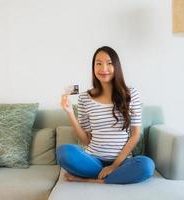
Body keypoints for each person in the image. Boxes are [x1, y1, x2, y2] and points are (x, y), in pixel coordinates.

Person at [57, 46, 154, 184]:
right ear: (93, 67)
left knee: (147, 165)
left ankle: (90, 180)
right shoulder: (84, 97)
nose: (104, 69)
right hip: (93, 160)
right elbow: (86, 140)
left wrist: (114, 166)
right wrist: (70, 113)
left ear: (116, 66)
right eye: (99, 63)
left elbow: (135, 134)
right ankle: (112, 178)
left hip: (122, 162)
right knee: (63, 152)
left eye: (109, 63)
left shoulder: (131, 94)